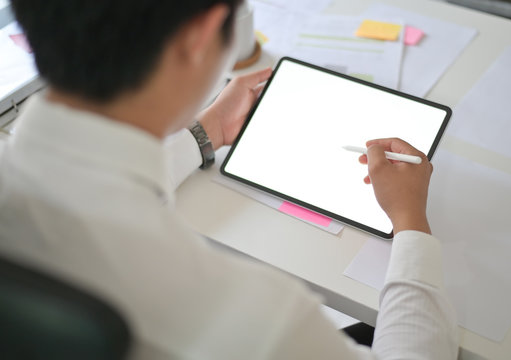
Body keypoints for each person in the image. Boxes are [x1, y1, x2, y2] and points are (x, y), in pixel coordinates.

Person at [0, 1, 458, 359]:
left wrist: (206, 133)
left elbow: (94, 186)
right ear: (201, 35)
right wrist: (410, 222)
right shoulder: (260, 319)